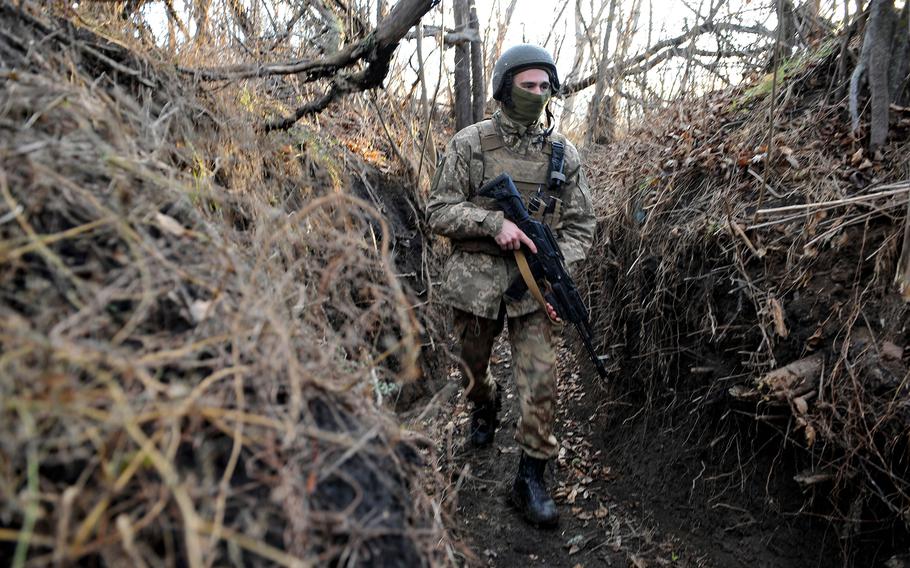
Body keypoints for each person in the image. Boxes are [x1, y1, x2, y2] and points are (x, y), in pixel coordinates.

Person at [426, 44, 596, 527]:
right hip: (475, 282)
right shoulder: (470, 144)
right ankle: (485, 405)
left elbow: (583, 224)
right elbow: (438, 209)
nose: (538, 94)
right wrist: (492, 223)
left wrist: (557, 266)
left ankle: (531, 476)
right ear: (505, 88)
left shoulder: (565, 155)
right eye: (528, 86)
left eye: (545, 87)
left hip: (535, 285)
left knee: (541, 378)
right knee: (472, 369)